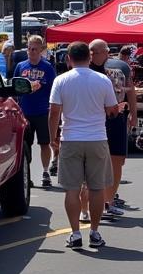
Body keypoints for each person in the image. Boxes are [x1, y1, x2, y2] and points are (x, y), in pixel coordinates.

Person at [48, 41, 118, 250]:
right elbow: (112, 109)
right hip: (97, 137)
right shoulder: (103, 80)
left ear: (68, 59)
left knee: (72, 189)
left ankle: (75, 233)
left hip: (70, 137)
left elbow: (54, 112)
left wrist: (53, 137)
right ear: (89, 57)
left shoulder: (61, 80)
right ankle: (94, 232)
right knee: (97, 188)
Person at [89, 39, 137, 219]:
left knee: (117, 159)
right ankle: (94, 204)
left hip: (116, 118)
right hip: (94, 121)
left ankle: (109, 201)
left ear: (106, 52)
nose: (93, 56)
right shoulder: (85, 70)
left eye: (97, 52)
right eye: (91, 52)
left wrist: (133, 114)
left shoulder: (120, 68)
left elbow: (130, 91)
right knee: (95, 162)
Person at [13, 35, 56, 188]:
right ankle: (27, 174)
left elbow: (53, 89)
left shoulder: (47, 67)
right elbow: (15, 87)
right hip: (25, 112)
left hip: (43, 111)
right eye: (29, 48)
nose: (31, 51)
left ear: (41, 51)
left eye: (35, 49)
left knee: (45, 143)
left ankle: (45, 172)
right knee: (26, 145)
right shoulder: (21, 66)